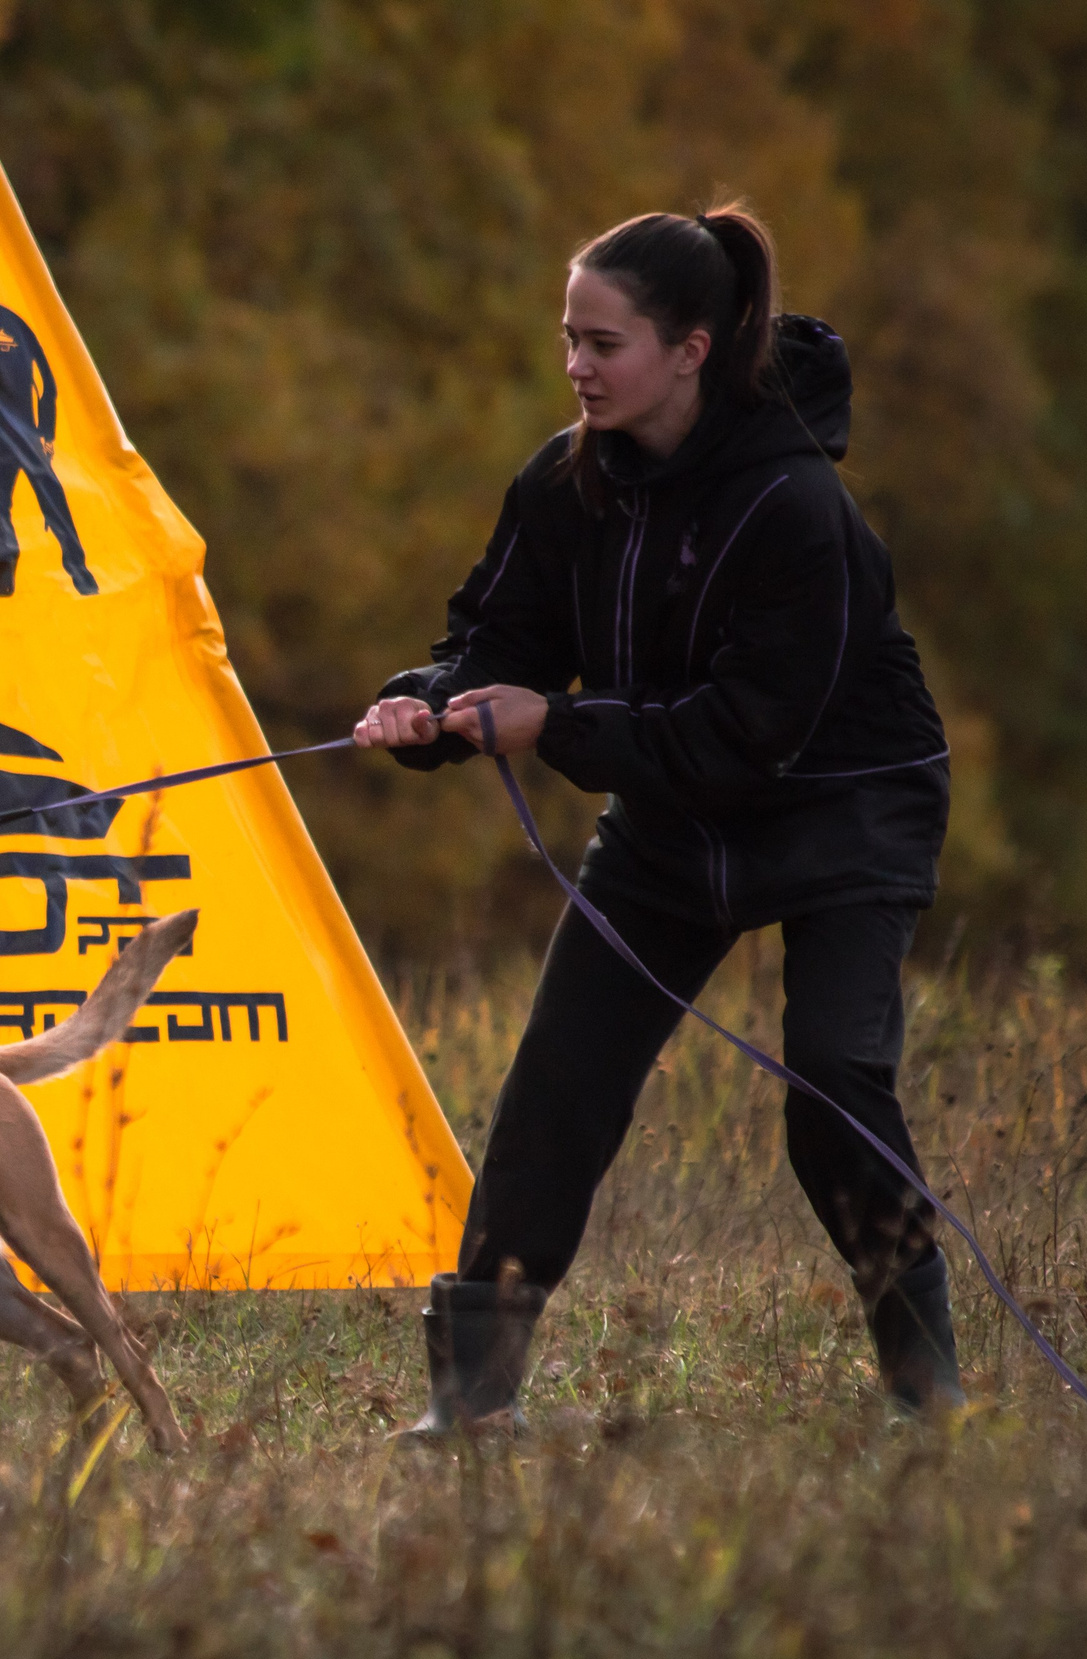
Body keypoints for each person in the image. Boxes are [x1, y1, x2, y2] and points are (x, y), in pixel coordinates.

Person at [355, 202, 962, 1431]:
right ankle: (470, 1404)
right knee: (556, 1087)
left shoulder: (798, 508)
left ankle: (926, 1392)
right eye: (567, 339)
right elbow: (496, 639)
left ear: (690, 350)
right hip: (668, 818)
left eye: (603, 344)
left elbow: (742, 737)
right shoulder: (563, 479)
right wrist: (428, 704)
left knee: (832, 1077)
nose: (575, 367)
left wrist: (551, 724)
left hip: (843, 813)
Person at [0, 255, 96, 598]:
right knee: (38, 500)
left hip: (3, 433)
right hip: (18, 432)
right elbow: (45, 381)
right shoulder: (11, 323)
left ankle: (9, 579)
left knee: (1, 504)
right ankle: (76, 575)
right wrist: (46, 434)